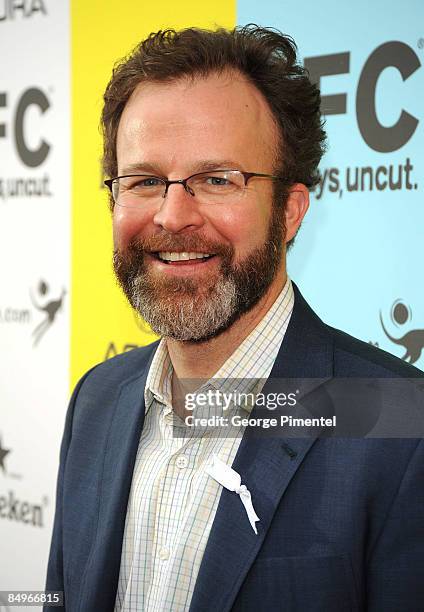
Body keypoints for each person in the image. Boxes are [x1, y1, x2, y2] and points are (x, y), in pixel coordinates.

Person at [45, 26, 424, 611]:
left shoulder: (402, 427)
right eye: (145, 181)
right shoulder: (96, 400)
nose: (173, 217)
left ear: (290, 211)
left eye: (217, 180)